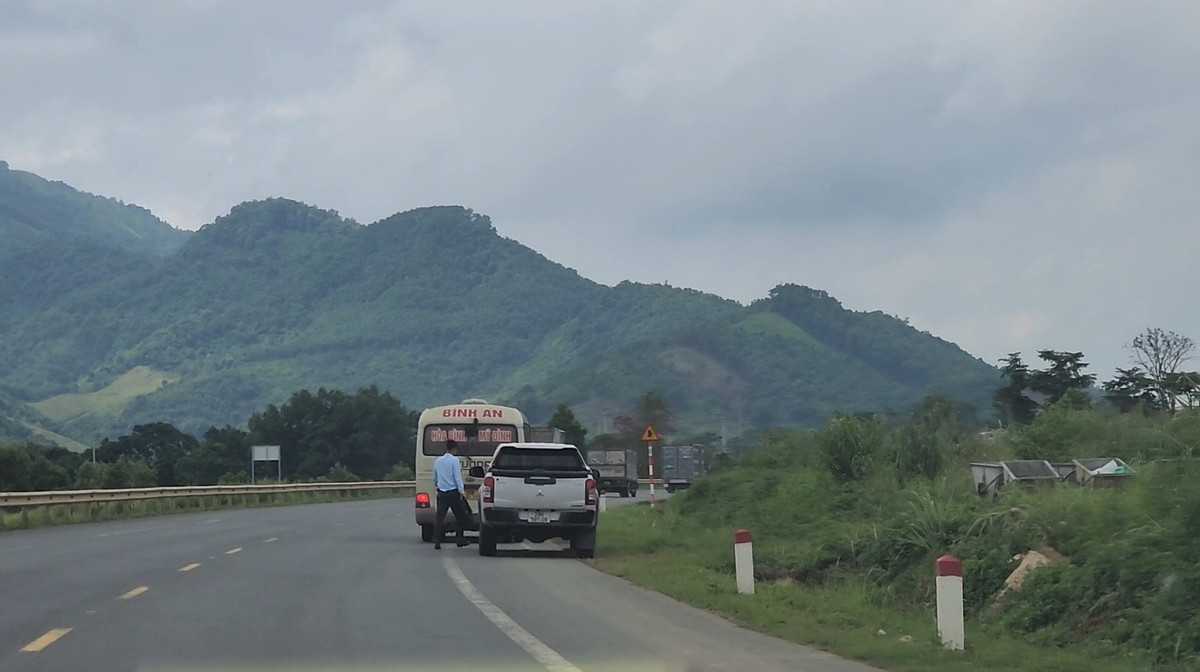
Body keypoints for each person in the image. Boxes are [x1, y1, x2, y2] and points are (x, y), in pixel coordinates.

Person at [432, 438, 470, 549]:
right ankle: (459, 539)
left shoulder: (438, 461)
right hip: (453, 493)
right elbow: (457, 477)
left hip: (442, 493)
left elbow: (434, 477)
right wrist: (461, 491)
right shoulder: (454, 461)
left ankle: (437, 540)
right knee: (460, 516)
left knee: (439, 517)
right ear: (454, 449)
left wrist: (437, 485)